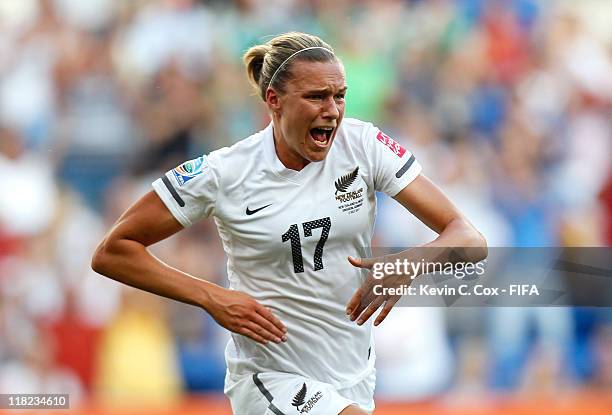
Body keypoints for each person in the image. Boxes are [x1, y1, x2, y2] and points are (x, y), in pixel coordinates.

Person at [92, 32, 487, 415]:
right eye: (316, 97)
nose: (331, 110)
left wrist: (407, 264)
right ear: (274, 101)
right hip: (270, 378)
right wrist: (211, 297)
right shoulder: (224, 173)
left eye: (339, 95)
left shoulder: (363, 146)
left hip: (352, 375)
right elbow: (114, 250)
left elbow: (469, 238)